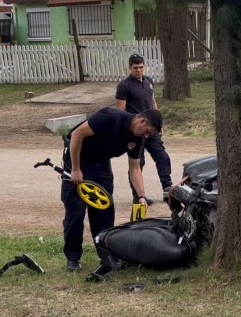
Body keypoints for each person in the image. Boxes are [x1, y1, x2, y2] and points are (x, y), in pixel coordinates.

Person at [61, 107, 163, 271]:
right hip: (78, 158)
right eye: (147, 131)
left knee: (104, 210)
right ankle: (73, 258)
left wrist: (141, 196)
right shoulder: (109, 117)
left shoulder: (137, 138)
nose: (146, 136)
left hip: (101, 163)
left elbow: (135, 168)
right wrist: (75, 169)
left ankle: (106, 257)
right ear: (142, 121)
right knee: (76, 212)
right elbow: (76, 135)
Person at [116, 53, 173, 204]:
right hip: (137, 131)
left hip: (151, 130)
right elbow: (120, 112)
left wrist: (158, 124)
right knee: (138, 163)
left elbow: (153, 103)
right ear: (129, 67)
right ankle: (138, 195)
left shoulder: (148, 81)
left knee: (162, 157)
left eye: (141, 67)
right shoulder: (124, 86)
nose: (138, 70)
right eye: (135, 68)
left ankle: (168, 190)